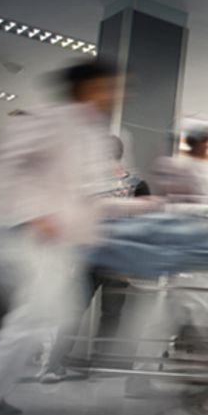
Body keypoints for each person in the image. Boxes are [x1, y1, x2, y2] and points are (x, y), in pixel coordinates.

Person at [0, 61, 120, 415]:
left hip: (58, 245)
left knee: (50, 317)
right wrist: (34, 216)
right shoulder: (45, 118)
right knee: (32, 321)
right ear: (88, 87)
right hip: (27, 237)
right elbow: (4, 168)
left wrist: (133, 211)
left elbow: (84, 196)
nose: (113, 97)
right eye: (108, 88)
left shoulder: (91, 134)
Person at [38, 134, 151, 384]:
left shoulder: (89, 183)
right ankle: (99, 365)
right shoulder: (135, 183)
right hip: (118, 257)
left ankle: (54, 365)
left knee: (75, 311)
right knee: (110, 314)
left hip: (90, 255)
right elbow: (146, 222)